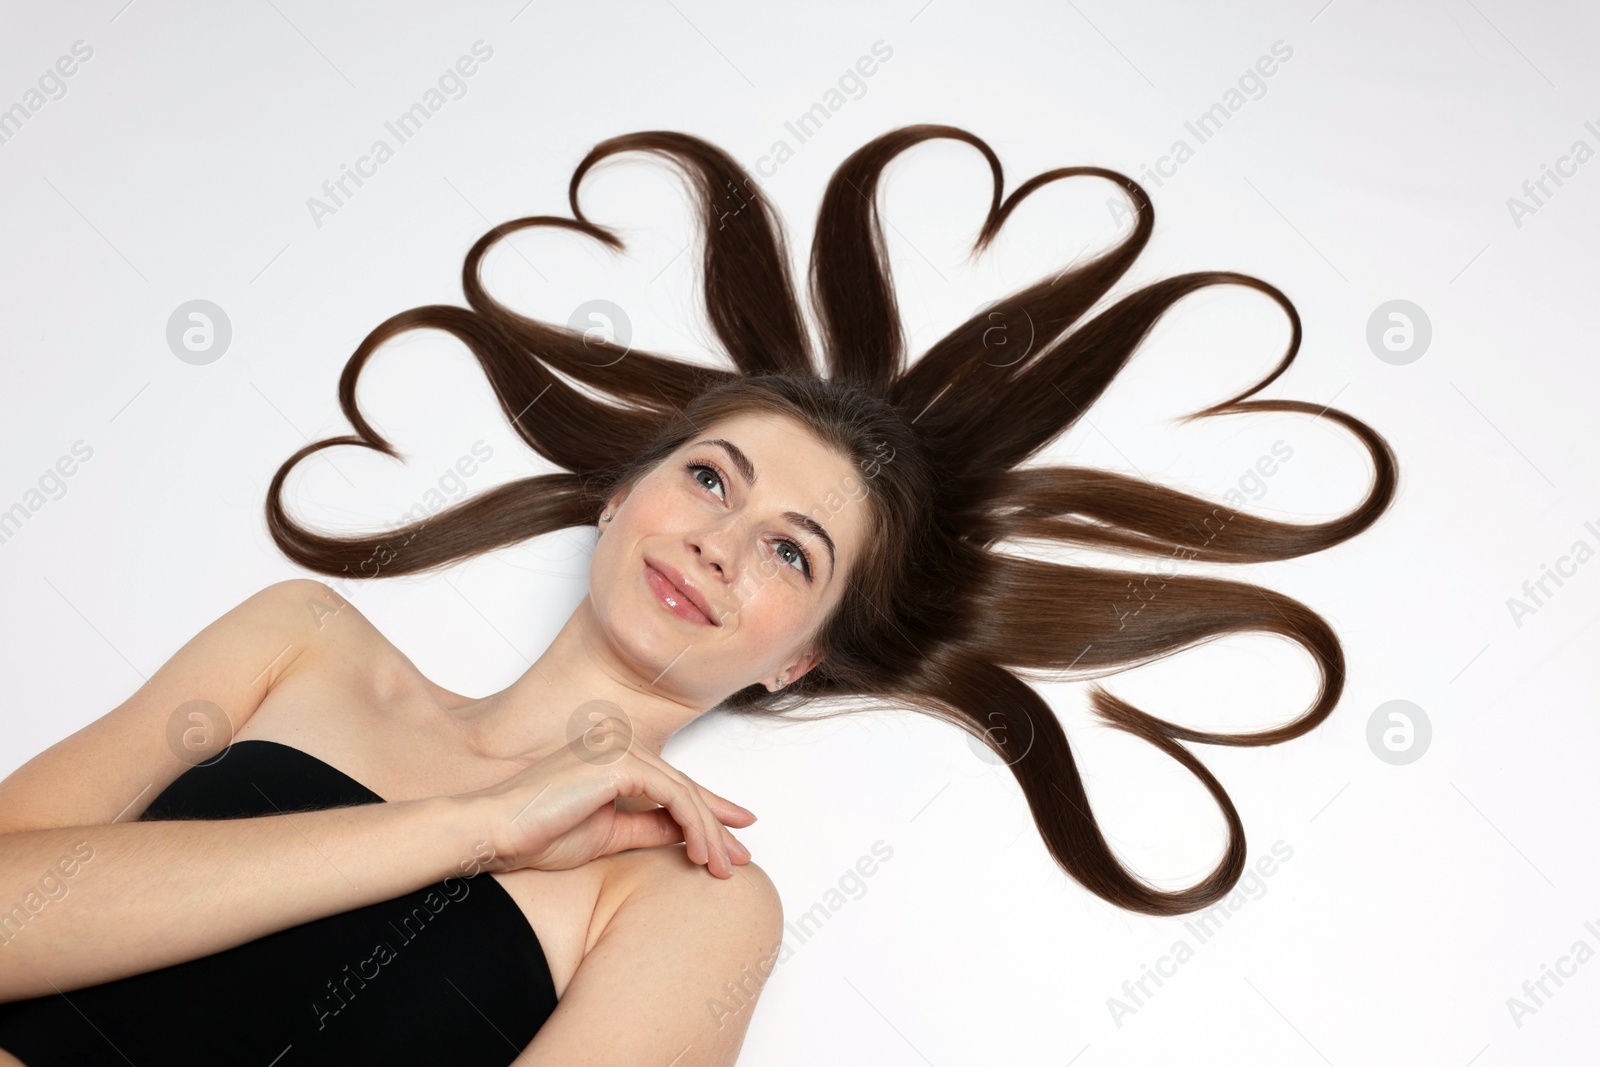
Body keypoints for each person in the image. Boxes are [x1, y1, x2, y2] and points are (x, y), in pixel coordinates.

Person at [0, 124, 1398, 1064]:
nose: (727, 545)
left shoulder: (694, 902)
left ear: (802, 661)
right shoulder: (297, 641)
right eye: (714, 481)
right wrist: (468, 828)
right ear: (624, 495)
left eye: (796, 552)